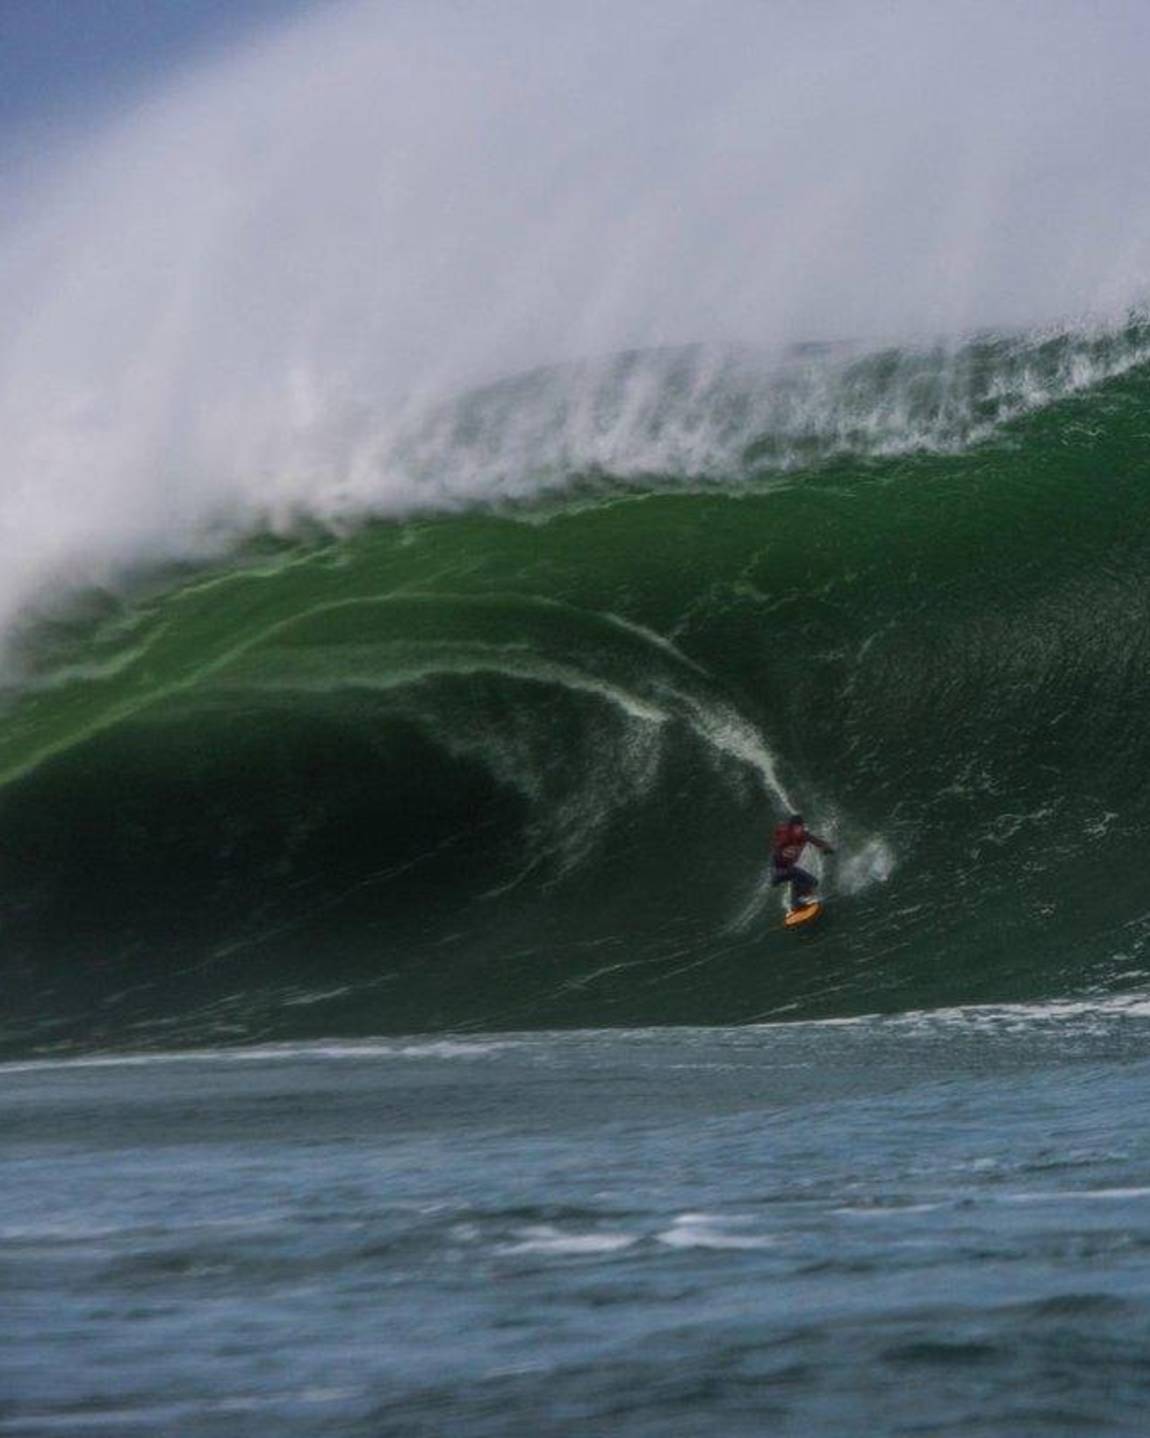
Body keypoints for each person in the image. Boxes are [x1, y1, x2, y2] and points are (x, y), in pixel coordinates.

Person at [771, 812, 835, 912]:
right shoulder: (784, 837)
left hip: (790, 870)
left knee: (797, 878)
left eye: (800, 826)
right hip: (779, 872)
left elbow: (815, 841)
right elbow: (776, 853)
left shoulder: (803, 835)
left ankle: (795, 904)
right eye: (797, 827)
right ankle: (803, 898)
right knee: (813, 882)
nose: (799, 829)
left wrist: (826, 848)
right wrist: (783, 854)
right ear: (792, 827)